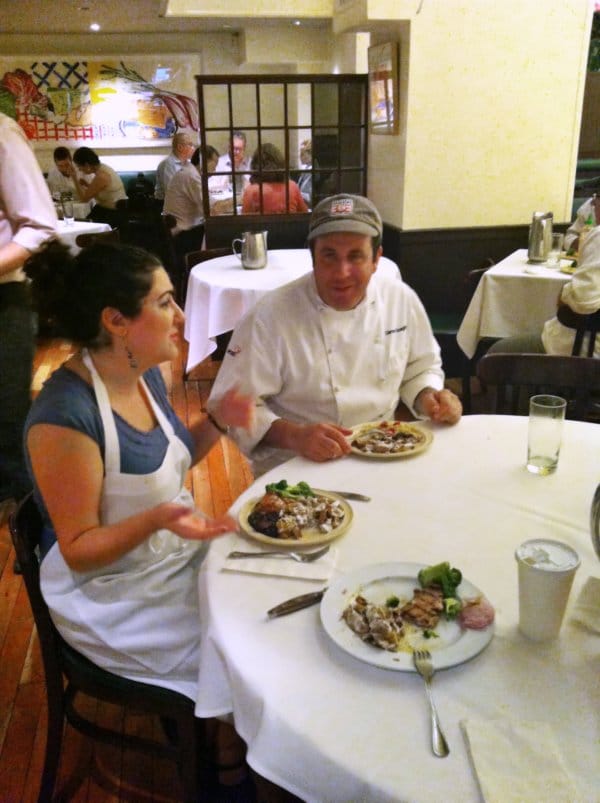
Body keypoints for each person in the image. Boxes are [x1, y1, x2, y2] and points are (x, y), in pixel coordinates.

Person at [23, 240, 255, 792]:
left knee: (260, 606)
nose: (179, 318)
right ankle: (225, 768)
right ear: (117, 321)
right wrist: (158, 521)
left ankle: (229, 742)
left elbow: (166, 467)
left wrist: (219, 421)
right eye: (165, 302)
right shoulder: (64, 417)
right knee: (241, 649)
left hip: (167, 558)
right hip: (112, 593)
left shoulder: (146, 375)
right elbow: (78, 549)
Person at [208, 193, 462, 476]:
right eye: (329, 256)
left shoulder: (400, 300)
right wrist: (294, 436)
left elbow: (419, 368)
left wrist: (429, 397)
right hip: (294, 468)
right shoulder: (269, 317)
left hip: (384, 454)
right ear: (313, 257)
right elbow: (229, 407)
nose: (342, 273)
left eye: (356, 256)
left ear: (376, 259)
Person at [0, 111, 57, 526]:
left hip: (4, 297)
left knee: (6, 413)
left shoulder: (1, 132)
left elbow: (38, 226)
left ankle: (32, 526)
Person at [487, 225, 600, 358]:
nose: (593, 207)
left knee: (495, 355)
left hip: (584, 351)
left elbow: (583, 302)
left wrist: (564, 293)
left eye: (596, 203)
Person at [241, 143, 308, 215]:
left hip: (263, 226)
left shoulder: (252, 191)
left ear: (255, 165)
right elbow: (304, 213)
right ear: (281, 163)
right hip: (289, 226)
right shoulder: (292, 187)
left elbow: (245, 220)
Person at [69, 147, 127, 226]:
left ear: (87, 165)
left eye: (79, 166)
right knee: (82, 222)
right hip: (106, 209)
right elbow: (104, 190)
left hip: (112, 214)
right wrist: (87, 185)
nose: (79, 169)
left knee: (81, 224)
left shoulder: (101, 176)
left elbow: (84, 199)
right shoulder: (103, 167)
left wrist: (74, 178)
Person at [154, 132, 196, 201]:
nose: (193, 148)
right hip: (165, 205)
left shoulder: (187, 163)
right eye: (190, 145)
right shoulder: (168, 164)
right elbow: (171, 192)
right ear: (180, 147)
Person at [209, 130, 251, 197]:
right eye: (233, 148)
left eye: (238, 149)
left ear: (244, 148)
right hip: (224, 203)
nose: (235, 152)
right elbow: (208, 185)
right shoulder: (220, 162)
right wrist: (223, 183)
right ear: (229, 147)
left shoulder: (251, 163)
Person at [296, 139, 314, 205]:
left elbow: (310, 196)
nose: (300, 157)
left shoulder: (313, 172)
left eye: (302, 154)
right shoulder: (305, 170)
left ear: (311, 155)